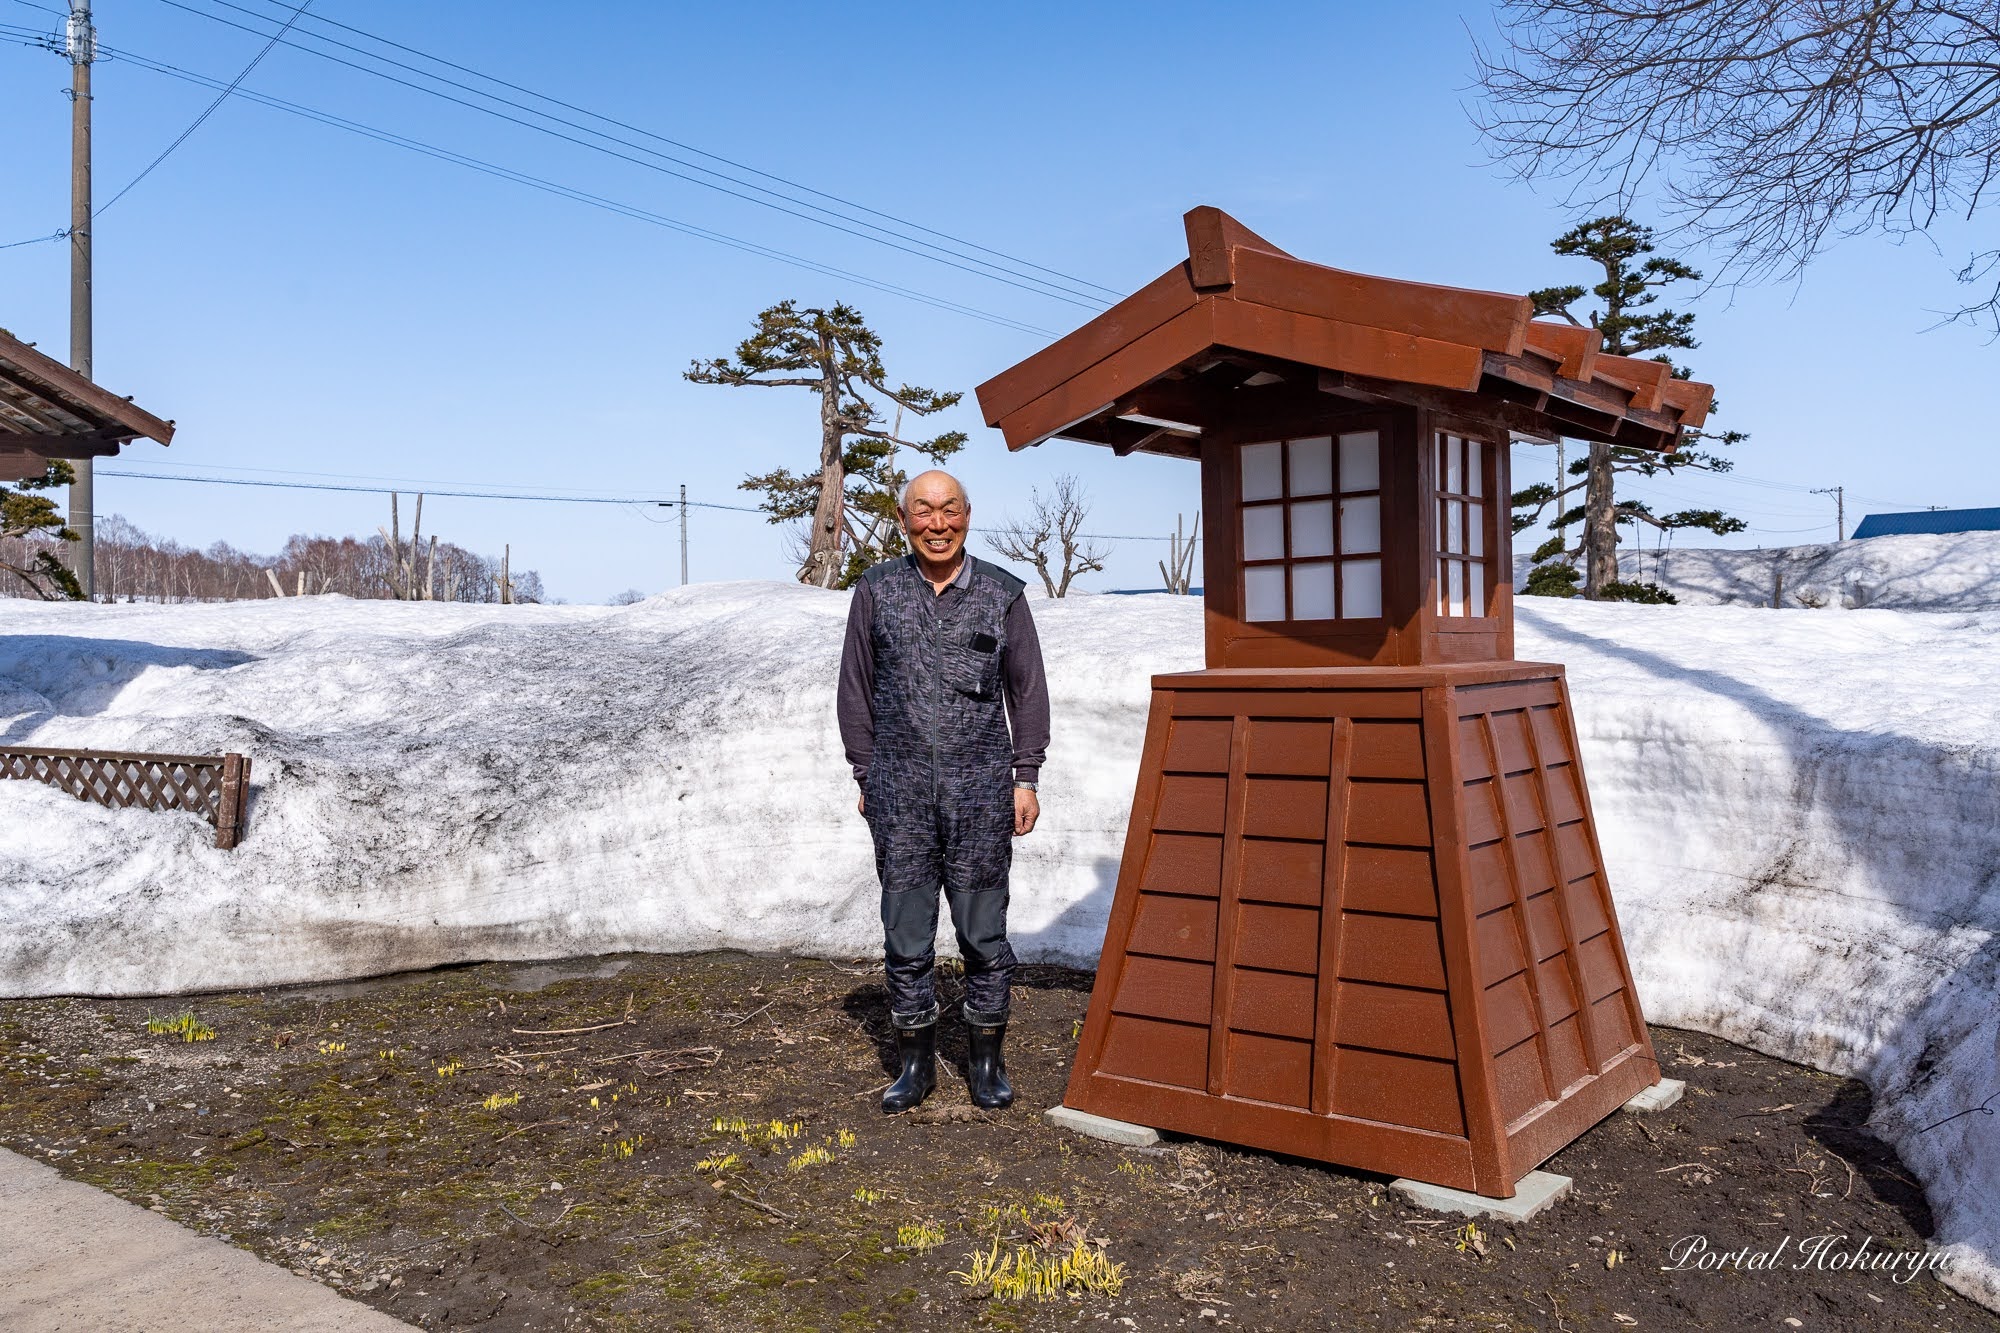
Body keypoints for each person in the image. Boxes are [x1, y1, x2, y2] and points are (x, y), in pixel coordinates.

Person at [837, 469, 1050, 1114]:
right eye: (924, 511)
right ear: (905, 520)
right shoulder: (876, 590)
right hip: (899, 793)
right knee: (906, 935)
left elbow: (1029, 693)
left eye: (949, 510)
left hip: (980, 793)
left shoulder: (1002, 594)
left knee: (983, 934)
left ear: (967, 514)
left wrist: (1025, 777)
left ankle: (986, 1062)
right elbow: (855, 690)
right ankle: (915, 1064)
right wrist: (867, 773)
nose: (938, 524)